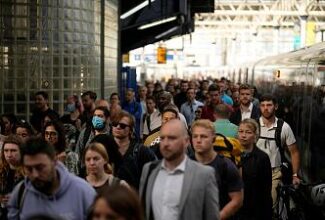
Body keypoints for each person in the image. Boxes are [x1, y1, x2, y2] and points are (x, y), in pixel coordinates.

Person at [140, 119, 220, 220]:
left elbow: (212, 216)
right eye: (162, 138)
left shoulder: (204, 174)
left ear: (186, 141)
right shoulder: (149, 170)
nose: (165, 143)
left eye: (172, 138)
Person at [7, 137, 96, 220]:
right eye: (29, 169)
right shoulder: (20, 194)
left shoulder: (83, 192)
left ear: (54, 162)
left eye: (40, 167)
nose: (35, 175)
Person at [191, 120, 243, 220]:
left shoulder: (226, 166)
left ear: (213, 139)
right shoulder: (185, 164)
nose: (198, 140)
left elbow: (237, 200)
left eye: (203, 136)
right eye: (195, 136)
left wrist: (218, 216)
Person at [256, 94, 300, 209]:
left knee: (270, 205)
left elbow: (294, 152)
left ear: (276, 106)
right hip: (254, 171)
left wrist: (295, 175)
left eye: (269, 105)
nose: (266, 108)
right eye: (263, 105)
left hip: (274, 173)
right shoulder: (253, 125)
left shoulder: (284, 127)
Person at [237, 119, 272, 220]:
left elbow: (266, 190)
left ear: (255, 135)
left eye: (248, 132)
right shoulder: (231, 155)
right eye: (241, 131)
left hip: (255, 209)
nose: (243, 135)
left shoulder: (262, 158)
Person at [0, 135, 24, 220]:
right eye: (6, 151)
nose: (9, 155)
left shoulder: (29, 174)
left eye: (13, 150)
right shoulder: (2, 172)